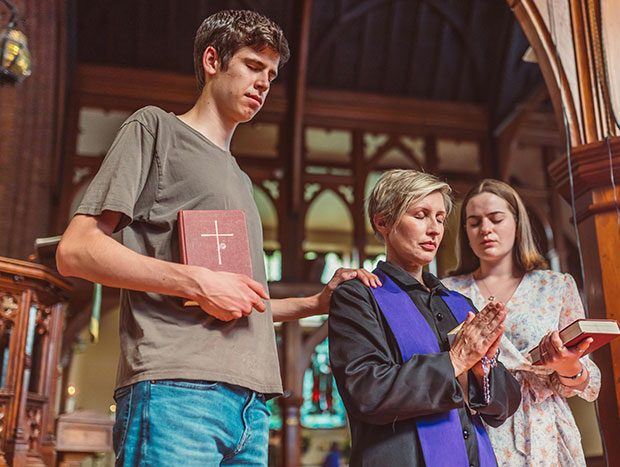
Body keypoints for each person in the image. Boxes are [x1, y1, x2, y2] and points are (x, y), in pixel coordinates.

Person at [55, 10, 379, 466]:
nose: (264, 83)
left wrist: (314, 303)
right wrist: (197, 282)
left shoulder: (241, 180)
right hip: (176, 391)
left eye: (271, 74)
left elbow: (237, 303)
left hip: (250, 408)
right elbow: (77, 249)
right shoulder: (156, 129)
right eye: (252, 65)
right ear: (212, 60)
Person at [328, 169, 521, 467]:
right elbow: (366, 392)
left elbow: (507, 403)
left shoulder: (459, 303)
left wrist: (482, 371)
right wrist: (455, 361)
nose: (434, 229)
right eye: (421, 215)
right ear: (383, 222)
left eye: (441, 218)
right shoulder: (357, 297)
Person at [442, 179, 601, 466]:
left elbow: (590, 383)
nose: (485, 229)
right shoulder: (448, 291)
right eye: (474, 222)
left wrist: (567, 366)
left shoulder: (556, 285)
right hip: (477, 426)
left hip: (544, 429)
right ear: (465, 231)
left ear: (517, 223)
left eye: (496, 218)